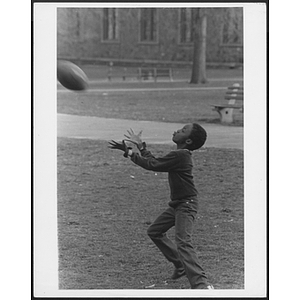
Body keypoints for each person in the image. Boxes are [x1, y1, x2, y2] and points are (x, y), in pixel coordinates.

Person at [108, 123, 214, 289]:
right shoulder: (179, 154)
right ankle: (180, 265)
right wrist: (141, 147)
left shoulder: (181, 155)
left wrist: (130, 152)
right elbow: (155, 162)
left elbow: (153, 165)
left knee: (183, 243)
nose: (178, 130)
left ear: (188, 141)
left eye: (183, 130)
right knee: (154, 231)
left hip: (186, 205)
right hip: (178, 204)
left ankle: (201, 284)